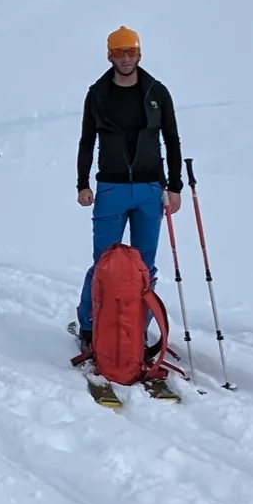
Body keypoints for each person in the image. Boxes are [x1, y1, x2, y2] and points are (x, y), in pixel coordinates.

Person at [75, 27, 183, 343]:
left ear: (139, 53)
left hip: (151, 189)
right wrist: (83, 184)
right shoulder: (97, 94)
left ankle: (134, 330)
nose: (125, 58)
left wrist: (174, 186)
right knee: (104, 264)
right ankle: (89, 326)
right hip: (111, 188)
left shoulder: (156, 92)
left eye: (131, 51)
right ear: (109, 56)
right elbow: (86, 141)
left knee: (144, 267)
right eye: (119, 52)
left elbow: (172, 140)